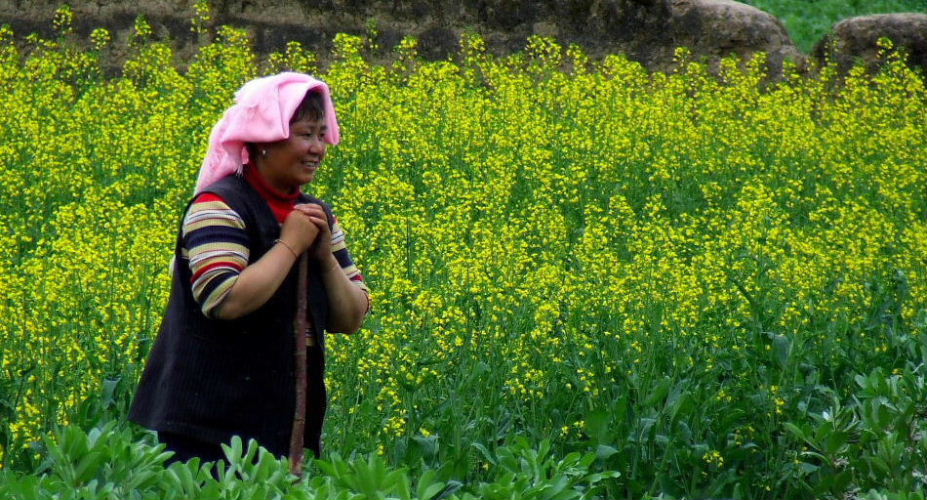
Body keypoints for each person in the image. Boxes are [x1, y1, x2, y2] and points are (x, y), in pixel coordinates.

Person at [130, 72, 371, 464]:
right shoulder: (218, 205)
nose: (317, 148)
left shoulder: (316, 214)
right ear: (263, 140)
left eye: (321, 134)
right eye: (304, 134)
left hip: (281, 421)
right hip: (205, 427)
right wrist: (291, 244)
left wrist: (324, 257)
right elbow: (224, 299)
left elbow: (351, 317)